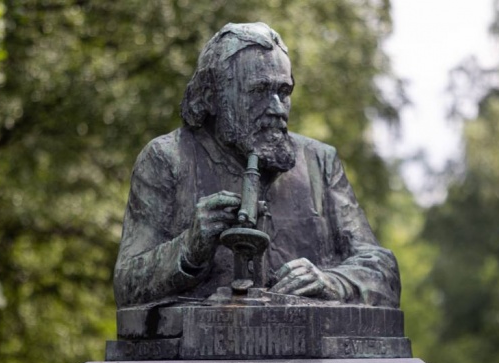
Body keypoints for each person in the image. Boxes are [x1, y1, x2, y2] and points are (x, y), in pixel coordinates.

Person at [113, 22, 400, 309]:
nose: (277, 108)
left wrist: (332, 282)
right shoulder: (167, 159)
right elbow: (127, 284)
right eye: (259, 90)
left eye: (284, 92)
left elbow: (382, 270)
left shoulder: (319, 162)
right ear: (212, 96)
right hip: (205, 335)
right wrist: (189, 249)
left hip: (309, 335)